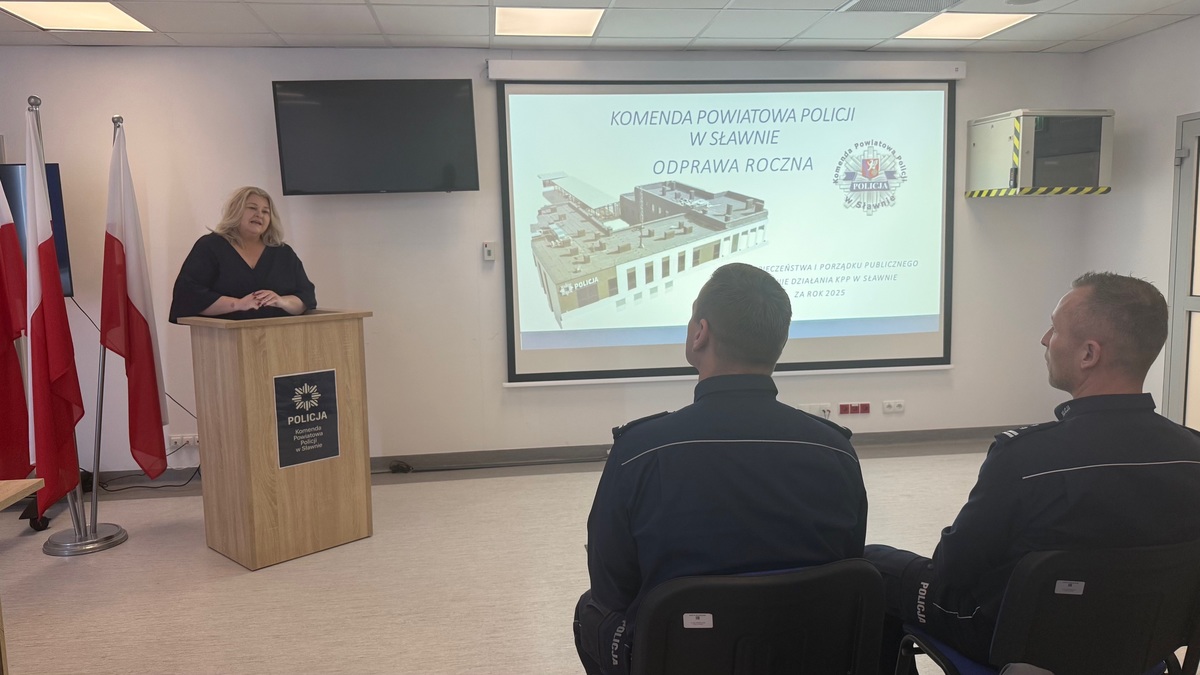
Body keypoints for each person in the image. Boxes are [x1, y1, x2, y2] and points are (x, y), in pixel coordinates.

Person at [865, 272, 1200, 671]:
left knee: (873, 568)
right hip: (1148, 640)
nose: (1044, 339)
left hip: (1014, 640)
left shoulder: (1026, 459)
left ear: (1088, 354)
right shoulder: (1193, 453)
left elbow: (953, 571)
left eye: (1054, 329)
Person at [573, 262, 869, 675]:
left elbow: (612, 587)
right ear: (780, 342)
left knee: (589, 610)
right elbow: (847, 561)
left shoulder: (639, 451)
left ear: (701, 333)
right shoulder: (835, 449)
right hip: (802, 653)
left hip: (679, 657)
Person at [169, 186, 316, 323]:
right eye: (252, 208)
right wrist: (238, 304)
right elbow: (187, 296)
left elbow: (306, 298)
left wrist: (281, 301)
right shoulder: (210, 246)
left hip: (280, 337)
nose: (259, 215)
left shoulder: (284, 253)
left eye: (265, 211)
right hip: (224, 338)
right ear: (236, 210)